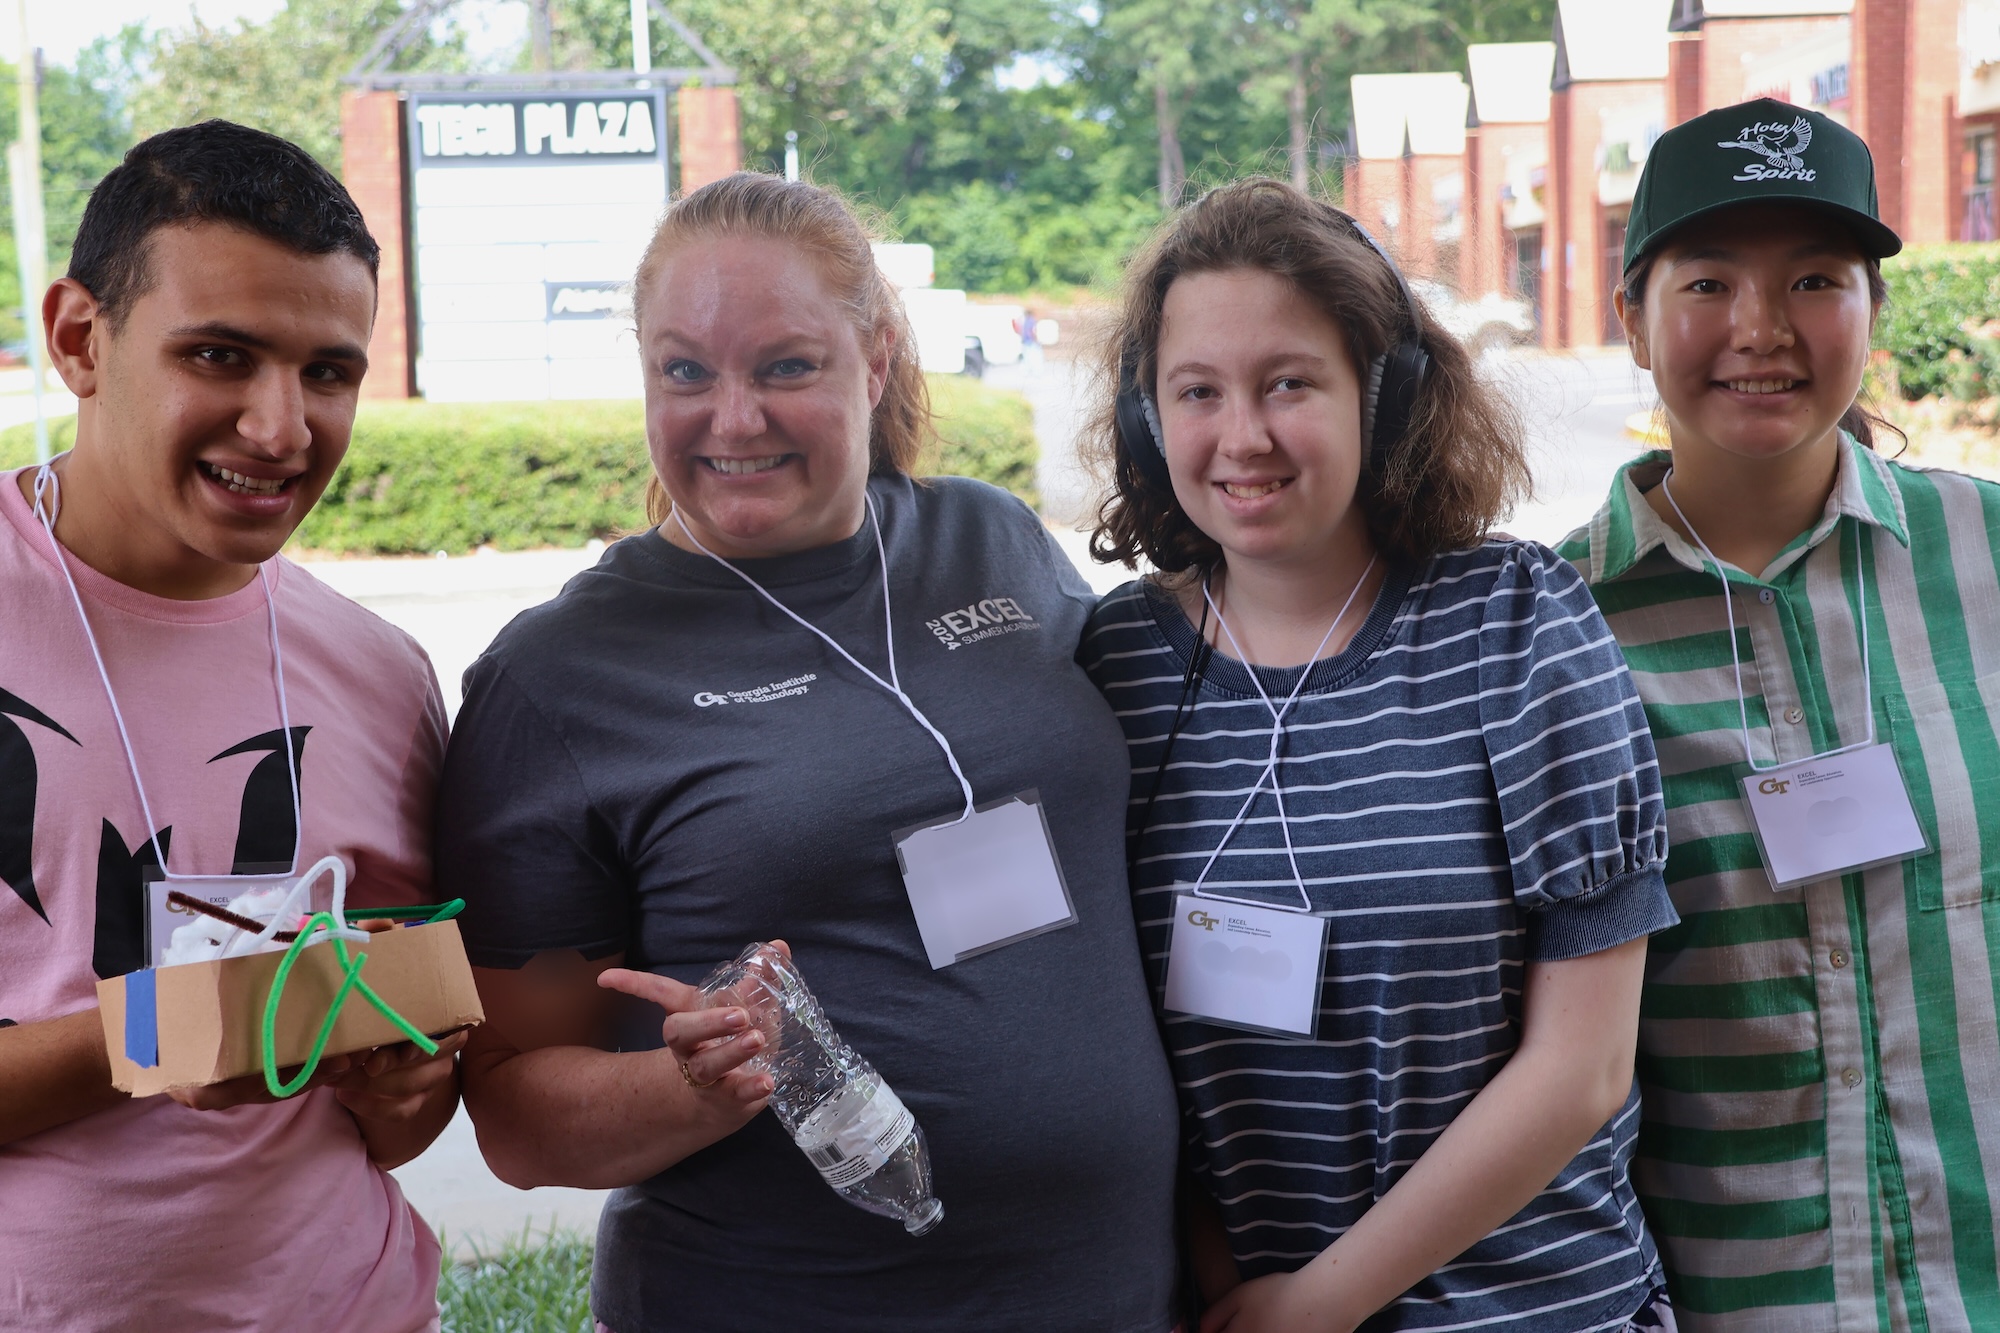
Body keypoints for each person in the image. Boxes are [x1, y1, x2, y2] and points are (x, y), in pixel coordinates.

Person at [435, 172, 1180, 1333]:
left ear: (873, 359)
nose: (732, 419)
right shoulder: (561, 675)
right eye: (685, 371)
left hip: (1111, 1296)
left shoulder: (990, 539)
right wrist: (687, 1085)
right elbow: (516, 1120)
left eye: (785, 366)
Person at [1080, 178, 1679, 1332]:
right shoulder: (1113, 666)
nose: (1240, 435)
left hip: (1531, 1311)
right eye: (1196, 390)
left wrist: (1321, 1301)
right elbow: (1110, 1043)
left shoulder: (1512, 622)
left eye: (1288, 383)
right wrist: (1229, 1285)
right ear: (1150, 415)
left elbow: (1583, 1067)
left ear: (1383, 393)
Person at [0, 121, 462, 1330]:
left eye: (328, 371)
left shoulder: (384, 674)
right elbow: (187, 1029)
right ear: (78, 338)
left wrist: (405, 1080)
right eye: (220, 354)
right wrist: (162, 1024)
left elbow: (404, 1097)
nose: (280, 428)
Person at [1559, 99, 2000, 1331]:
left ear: (1872, 309)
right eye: (1706, 282)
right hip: (1721, 1299)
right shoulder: (1547, 628)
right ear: (1632, 321)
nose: (1760, 329)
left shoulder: (1987, 557)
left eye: (1813, 278)